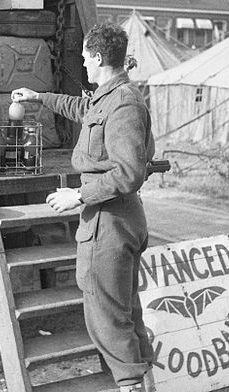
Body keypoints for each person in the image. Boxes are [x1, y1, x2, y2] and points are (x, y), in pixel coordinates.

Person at [11, 22, 156, 392]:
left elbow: (128, 173)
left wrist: (77, 196)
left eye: (85, 60)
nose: (84, 66)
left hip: (110, 219)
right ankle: (137, 382)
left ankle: (130, 384)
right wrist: (39, 97)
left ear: (98, 58)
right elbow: (82, 108)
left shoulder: (123, 103)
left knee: (105, 313)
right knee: (122, 308)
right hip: (115, 216)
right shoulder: (111, 95)